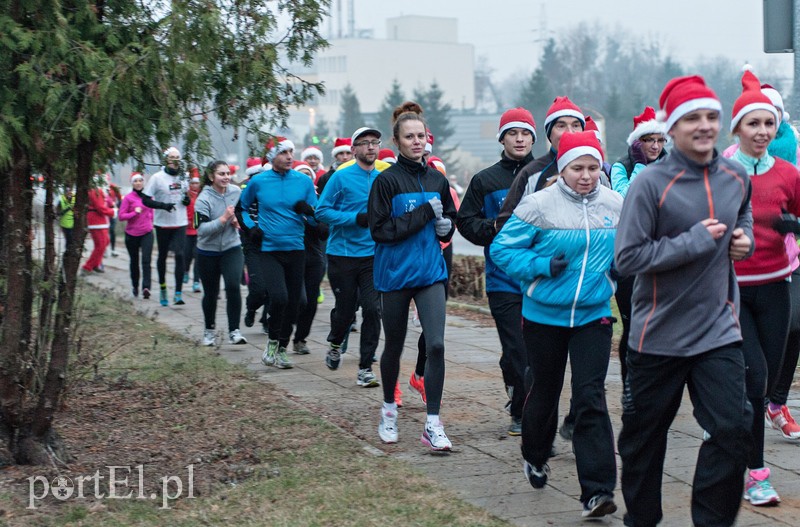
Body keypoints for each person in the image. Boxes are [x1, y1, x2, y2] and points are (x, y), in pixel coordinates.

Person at [615, 75, 754, 526]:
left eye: (711, 116)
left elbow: (744, 213)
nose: (704, 126)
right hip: (658, 336)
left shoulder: (736, 175)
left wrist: (743, 239)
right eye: (692, 117)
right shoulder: (650, 184)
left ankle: (710, 520)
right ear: (671, 129)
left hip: (718, 330)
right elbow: (628, 257)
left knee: (735, 429)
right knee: (642, 443)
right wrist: (694, 242)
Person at [491, 130, 622, 519]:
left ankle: (597, 492)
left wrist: (618, 270)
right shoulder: (539, 205)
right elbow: (501, 249)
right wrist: (540, 267)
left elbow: (632, 247)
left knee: (590, 396)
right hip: (543, 315)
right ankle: (534, 454)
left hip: (593, 315)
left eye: (593, 167)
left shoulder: (616, 204)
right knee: (544, 391)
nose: (586, 175)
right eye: (577, 167)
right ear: (562, 169)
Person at [724, 69, 800, 505]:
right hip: (732, 289)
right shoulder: (720, 172)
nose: (762, 131)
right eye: (753, 123)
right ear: (737, 128)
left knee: (765, 380)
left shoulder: (789, 174)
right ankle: (756, 473)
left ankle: (729, 422)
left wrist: (795, 225)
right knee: (754, 381)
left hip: (775, 288)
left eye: (769, 122)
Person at [368, 101, 457, 451]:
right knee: (393, 344)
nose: (417, 142)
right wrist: (422, 214)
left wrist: (446, 224)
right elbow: (380, 230)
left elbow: (448, 217)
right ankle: (389, 408)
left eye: (421, 135)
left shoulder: (437, 178)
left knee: (435, 344)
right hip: (394, 274)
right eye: (410, 137)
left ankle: (433, 423)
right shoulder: (386, 181)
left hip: (430, 272)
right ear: (398, 140)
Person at [456, 107, 536, 436]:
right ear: (502, 138)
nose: (519, 139)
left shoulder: (547, 174)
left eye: (525, 133)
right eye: (512, 133)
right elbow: (465, 221)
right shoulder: (485, 180)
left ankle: (525, 403)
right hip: (503, 279)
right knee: (518, 349)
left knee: (534, 353)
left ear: (534, 137)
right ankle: (523, 416)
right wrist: (494, 229)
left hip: (541, 278)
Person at [238, 137, 317, 370]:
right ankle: (272, 342)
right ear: (272, 157)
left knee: (298, 302)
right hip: (269, 249)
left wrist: (308, 211)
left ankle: (282, 348)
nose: (290, 157)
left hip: (296, 248)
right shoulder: (259, 182)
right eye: (284, 153)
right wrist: (251, 228)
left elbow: (316, 215)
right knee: (279, 297)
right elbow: (241, 208)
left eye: (292, 152)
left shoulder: (303, 181)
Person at [316, 126, 384, 387]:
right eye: (365, 143)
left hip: (373, 256)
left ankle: (365, 367)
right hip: (342, 255)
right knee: (345, 311)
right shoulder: (341, 178)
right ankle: (335, 342)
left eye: (374, 142)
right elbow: (321, 211)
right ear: (354, 149)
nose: (370, 147)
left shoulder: (382, 179)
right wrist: (353, 219)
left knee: (372, 309)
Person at [610, 107, 667, 385]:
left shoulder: (674, 164)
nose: (655, 146)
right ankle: (630, 383)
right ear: (637, 143)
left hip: (665, 257)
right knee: (633, 326)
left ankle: (658, 384)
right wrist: (641, 165)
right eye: (648, 140)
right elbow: (625, 202)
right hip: (631, 260)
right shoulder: (623, 166)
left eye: (660, 140)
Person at [495, 96, 585, 231]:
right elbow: (505, 225)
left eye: (576, 125)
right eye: (561, 126)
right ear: (549, 133)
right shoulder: (531, 173)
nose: (570, 131)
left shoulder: (598, 173)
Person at [194, 160, 247, 347]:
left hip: (232, 247)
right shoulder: (203, 199)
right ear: (211, 177)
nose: (226, 177)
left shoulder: (236, 192)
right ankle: (209, 331)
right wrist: (223, 219)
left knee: (233, 286)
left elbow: (242, 214)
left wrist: (237, 221)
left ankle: (234, 331)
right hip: (207, 252)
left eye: (227, 173)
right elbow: (201, 230)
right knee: (211, 293)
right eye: (221, 174)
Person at [290, 160, 329, 356]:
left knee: (311, 301)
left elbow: (324, 231)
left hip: (314, 257)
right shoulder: (287, 199)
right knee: (299, 300)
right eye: (301, 175)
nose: (305, 178)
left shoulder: (319, 200)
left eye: (308, 175)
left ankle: (300, 339)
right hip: (291, 255)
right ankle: (280, 330)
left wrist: (311, 213)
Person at [143, 146, 191, 306]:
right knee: (162, 255)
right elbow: (146, 200)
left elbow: (187, 197)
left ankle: (178, 293)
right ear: (166, 159)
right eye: (172, 157)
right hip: (162, 223)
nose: (175, 160)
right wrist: (163, 205)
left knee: (179, 255)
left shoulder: (184, 177)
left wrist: (187, 201)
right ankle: (163, 288)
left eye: (178, 157)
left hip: (180, 222)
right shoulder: (157, 178)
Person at [118, 172, 173, 299]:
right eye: (135, 181)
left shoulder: (149, 197)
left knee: (146, 261)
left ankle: (146, 287)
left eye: (140, 181)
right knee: (134, 262)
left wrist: (152, 222)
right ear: (132, 183)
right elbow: (121, 216)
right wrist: (133, 213)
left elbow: (152, 211)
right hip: (131, 234)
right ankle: (135, 286)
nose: (138, 183)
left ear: (144, 182)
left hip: (147, 233)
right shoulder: (128, 198)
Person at [81, 174, 116, 275]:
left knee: (104, 242)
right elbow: (100, 207)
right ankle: (87, 267)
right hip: (96, 221)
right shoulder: (96, 191)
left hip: (100, 221)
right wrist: (113, 212)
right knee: (101, 245)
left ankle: (96, 264)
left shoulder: (100, 191)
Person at [184, 170, 202, 293]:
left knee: (197, 256)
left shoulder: (202, 195)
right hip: (186, 230)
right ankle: (185, 271)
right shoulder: (186, 196)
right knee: (187, 255)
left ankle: (196, 281)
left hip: (198, 231)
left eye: (196, 183)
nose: (195, 185)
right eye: (192, 183)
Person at [56, 187, 75, 252]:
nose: (68, 193)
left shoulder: (75, 199)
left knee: (70, 239)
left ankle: (68, 250)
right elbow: (58, 211)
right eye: (67, 191)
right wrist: (60, 213)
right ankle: (68, 251)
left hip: (73, 223)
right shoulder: (61, 199)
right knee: (68, 238)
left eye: (70, 191)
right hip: (64, 223)